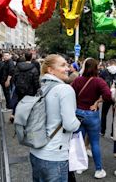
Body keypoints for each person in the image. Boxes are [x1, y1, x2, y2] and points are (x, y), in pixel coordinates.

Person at [29, 54, 80, 182]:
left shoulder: (42, 87)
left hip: (36, 152)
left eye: (67, 65)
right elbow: (70, 125)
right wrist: (78, 121)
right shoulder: (65, 89)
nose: (68, 68)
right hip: (55, 154)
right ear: (50, 70)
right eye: (63, 65)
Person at [71, 58, 113, 179]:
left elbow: (70, 94)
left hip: (78, 113)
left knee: (78, 141)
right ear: (96, 68)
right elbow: (108, 96)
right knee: (94, 143)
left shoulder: (77, 80)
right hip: (92, 113)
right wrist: (97, 101)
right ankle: (98, 170)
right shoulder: (99, 82)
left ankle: (79, 167)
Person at [99, 59, 116, 137]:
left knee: (104, 114)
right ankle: (113, 133)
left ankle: (102, 131)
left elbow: (100, 82)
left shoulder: (104, 72)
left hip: (107, 94)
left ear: (109, 63)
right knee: (115, 115)